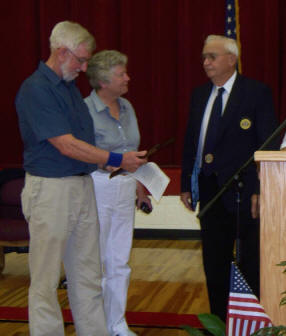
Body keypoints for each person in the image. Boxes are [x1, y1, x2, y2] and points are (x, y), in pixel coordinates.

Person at [15, 21, 147, 336]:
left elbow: (87, 142)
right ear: (61, 52)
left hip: (82, 185)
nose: (84, 67)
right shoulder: (36, 89)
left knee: (87, 274)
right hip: (50, 190)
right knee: (46, 280)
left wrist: (114, 163)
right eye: (80, 60)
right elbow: (67, 144)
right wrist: (117, 160)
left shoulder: (70, 89)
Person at [180, 35, 278, 321]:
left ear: (232, 59)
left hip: (245, 192)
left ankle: (250, 323)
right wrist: (187, 183)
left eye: (212, 56)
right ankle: (219, 323)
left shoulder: (256, 93)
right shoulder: (200, 94)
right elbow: (192, 142)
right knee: (214, 263)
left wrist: (262, 188)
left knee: (249, 264)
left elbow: (268, 144)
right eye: (204, 57)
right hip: (209, 191)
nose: (206, 62)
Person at [84, 50, 151, 336]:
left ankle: (117, 323)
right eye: (121, 74)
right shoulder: (84, 110)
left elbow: (131, 152)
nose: (127, 78)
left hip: (125, 185)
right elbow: (82, 154)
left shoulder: (127, 107)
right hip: (97, 186)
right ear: (102, 80)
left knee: (119, 259)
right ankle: (96, 325)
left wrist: (140, 186)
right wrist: (116, 161)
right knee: (96, 260)